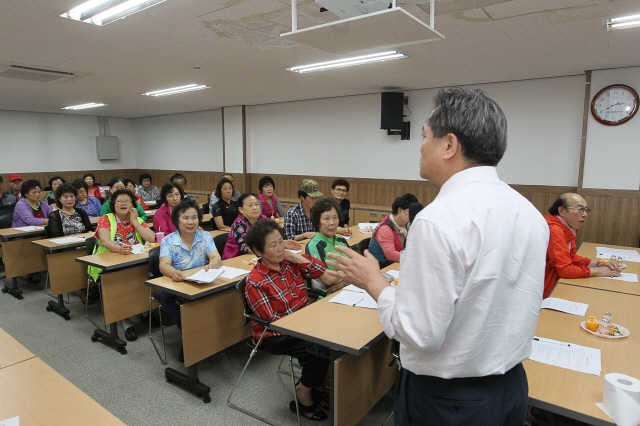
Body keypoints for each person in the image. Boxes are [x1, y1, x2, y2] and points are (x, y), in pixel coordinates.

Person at [325, 88, 550, 426]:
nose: (419, 146)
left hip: (450, 400)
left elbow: (420, 335)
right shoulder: (528, 212)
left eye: (424, 136)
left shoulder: (439, 219)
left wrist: (374, 282)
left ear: (449, 145)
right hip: (510, 387)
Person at [244, 220, 345, 421]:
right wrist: (307, 324)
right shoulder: (255, 281)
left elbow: (319, 270)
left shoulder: (289, 263)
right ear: (258, 250)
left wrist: (297, 258)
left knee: (334, 337)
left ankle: (316, 385)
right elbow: (273, 321)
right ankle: (304, 394)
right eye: (273, 245)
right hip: (274, 334)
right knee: (319, 349)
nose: (280, 248)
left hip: (302, 323)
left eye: (281, 241)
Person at [89, 188, 156, 341]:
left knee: (143, 276)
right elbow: (105, 240)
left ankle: (143, 310)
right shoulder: (106, 219)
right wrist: (119, 248)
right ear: (113, 204)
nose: (123, 204)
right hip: (110, 264)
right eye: (119, 201)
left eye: (127, 201)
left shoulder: (137, 218)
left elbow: (152, 238)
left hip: (135, 261)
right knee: (122, 283)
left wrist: (134, 221)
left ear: (133, 204)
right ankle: (125, 320)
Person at [159, 199, 222, 342]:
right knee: (180, 308)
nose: (190, 222)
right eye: (185, 218)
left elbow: (216, 257)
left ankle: (206, 337)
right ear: (177, 220)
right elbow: (164, 265)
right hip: (177, 285)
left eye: (194, 218)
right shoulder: (168, 240)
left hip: (200, 282)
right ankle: (191, 341)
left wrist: (212, 265)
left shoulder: (205, 236)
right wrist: (174, 272)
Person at [543, 193, 621, 298]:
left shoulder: (565, 227)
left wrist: (599, 264)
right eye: (580, 209)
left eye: (586, 210)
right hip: (545, 287)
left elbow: (572, 257)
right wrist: (598, 272)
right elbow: (565, 270)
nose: (584, 214)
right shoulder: (555, 229)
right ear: (562, 211)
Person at [222, 192, 298, 259]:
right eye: (250, 205)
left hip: (256, 256)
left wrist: (283, 243)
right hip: (235, 259)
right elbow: (246, 249)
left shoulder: (262, 219)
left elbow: (272, 236)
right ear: (241, 210)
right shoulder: (239, 225)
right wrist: (272, 247)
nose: (255, 208)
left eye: (256, 204)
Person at [285, 179, 352, 241]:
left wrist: (342, 230)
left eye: (316, 197)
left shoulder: (318, 210)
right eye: (312, 198)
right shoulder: (292, 213)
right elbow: (289, 238)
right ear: (302, 197)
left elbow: (325, 228)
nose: (315, 200)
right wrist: (304, 235)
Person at [306, 198, 349, 293]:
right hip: (327, 295)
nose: (332, 223)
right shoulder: (314, 245)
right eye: (326, 219)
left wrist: (345, 281)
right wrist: (349, 273)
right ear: (318, 221)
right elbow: (328, 279)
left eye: (335, 217)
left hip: (346, 288)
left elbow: (357, 267)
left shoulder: (341, 240)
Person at [368, 193, 419, 265]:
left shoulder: (404, 225)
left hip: (395, 263)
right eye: (409, 212)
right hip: (382, 266)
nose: (411, 216)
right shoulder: (385, 228)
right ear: (399, 210)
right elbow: (390, 254)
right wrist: (413, 259)